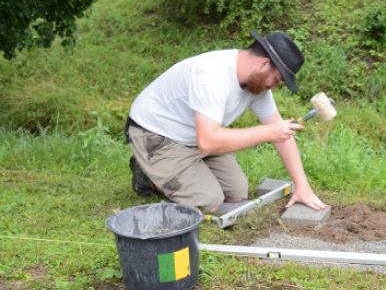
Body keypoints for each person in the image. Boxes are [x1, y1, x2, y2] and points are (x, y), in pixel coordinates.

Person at [125, 31, 327, 214]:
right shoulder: (212, 75)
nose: (274, 87)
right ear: (264, 64)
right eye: (277, 79)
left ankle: (181, 169)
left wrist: (302, 187)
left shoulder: (257, 86)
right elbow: (209, 142)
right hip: (156, 135)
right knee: (209, 202)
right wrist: (267, 132)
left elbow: (282, 136)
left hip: (195, 136)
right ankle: (148, 175)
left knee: (237, 192)